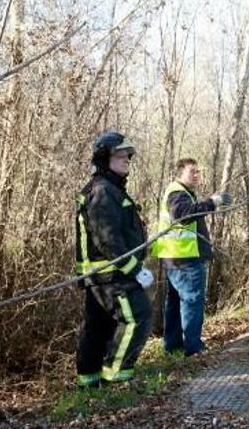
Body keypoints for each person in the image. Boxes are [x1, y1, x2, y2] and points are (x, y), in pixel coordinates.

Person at [74, 131, 154, 388]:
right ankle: (117, 377)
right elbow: (108, 240)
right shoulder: (103, 191)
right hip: (112, 274)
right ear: (104, 158)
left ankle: (90, 382)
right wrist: (135, 270)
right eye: (120, 154)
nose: (127, 159)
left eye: (128, 155)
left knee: (99, 327)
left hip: (102, 274)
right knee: (138, 316)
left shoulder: (109, 189)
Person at [151, 158, 231, 356]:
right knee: (192, 300)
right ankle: (194, 348)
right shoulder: (177, 193)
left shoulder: (181, 192)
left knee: (176, 302)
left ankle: (173, 346)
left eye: (198, 172)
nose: (196, 175)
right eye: (192, 172)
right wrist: (211, 202)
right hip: (184, 258)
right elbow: (184, 216)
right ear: (179, 174)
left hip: (175, 257)